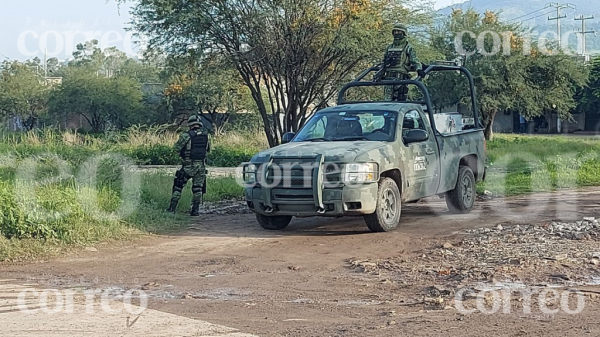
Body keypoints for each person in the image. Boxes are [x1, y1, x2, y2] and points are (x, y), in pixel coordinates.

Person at [167, 115, 210, 216]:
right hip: (201, 167)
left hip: (188, 166)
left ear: (190, 124)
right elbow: (208, 150)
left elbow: (176, 148)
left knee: (178, 186)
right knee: (198, 188)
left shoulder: (186, 135)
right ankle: (195, 210)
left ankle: (172, 209)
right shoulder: (206, 136)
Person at [381, 23, 424, 101]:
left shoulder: (408, 47)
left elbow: (415, 60)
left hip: (401, 79)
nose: (396, 33)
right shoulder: (389, 47)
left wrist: (419, 69)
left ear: (404, 33)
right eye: (395, 32)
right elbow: (384, 62)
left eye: (399, 31)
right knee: (387, 102)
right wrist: (380, 74)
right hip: (388, 79)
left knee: (400, 101)